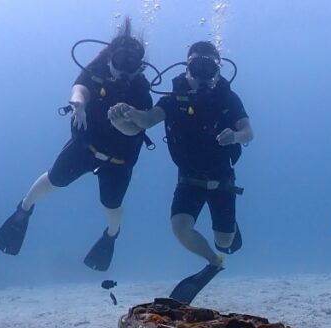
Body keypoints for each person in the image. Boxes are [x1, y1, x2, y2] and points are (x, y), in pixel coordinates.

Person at [0, 18, 153, 271]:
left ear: (140, 68)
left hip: (118, 162)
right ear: (110, 59)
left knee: (111, 206)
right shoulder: (95, 71)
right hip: (85, 148)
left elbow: (142, 124)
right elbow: (80, 88)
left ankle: (111, 235)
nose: (125, 70)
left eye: (132, 65)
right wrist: (77, 104)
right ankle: (23, 210)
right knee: (55, 179)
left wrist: (128, 119)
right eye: (121, 61)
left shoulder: (142, 89)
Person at [108, 41, 253, 273]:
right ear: (187, 69)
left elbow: (248, 132)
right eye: (197, 68)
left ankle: (226, 237)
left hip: (222, 179)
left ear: (218, 73)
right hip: (188, 179)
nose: (203, 76)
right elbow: (146, 121)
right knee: (180, 229)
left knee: (226, 243)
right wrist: (129, 114)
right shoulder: (172, 100)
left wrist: (235, 136)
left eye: (209, 69)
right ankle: (213, 261)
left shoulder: (228, 99)